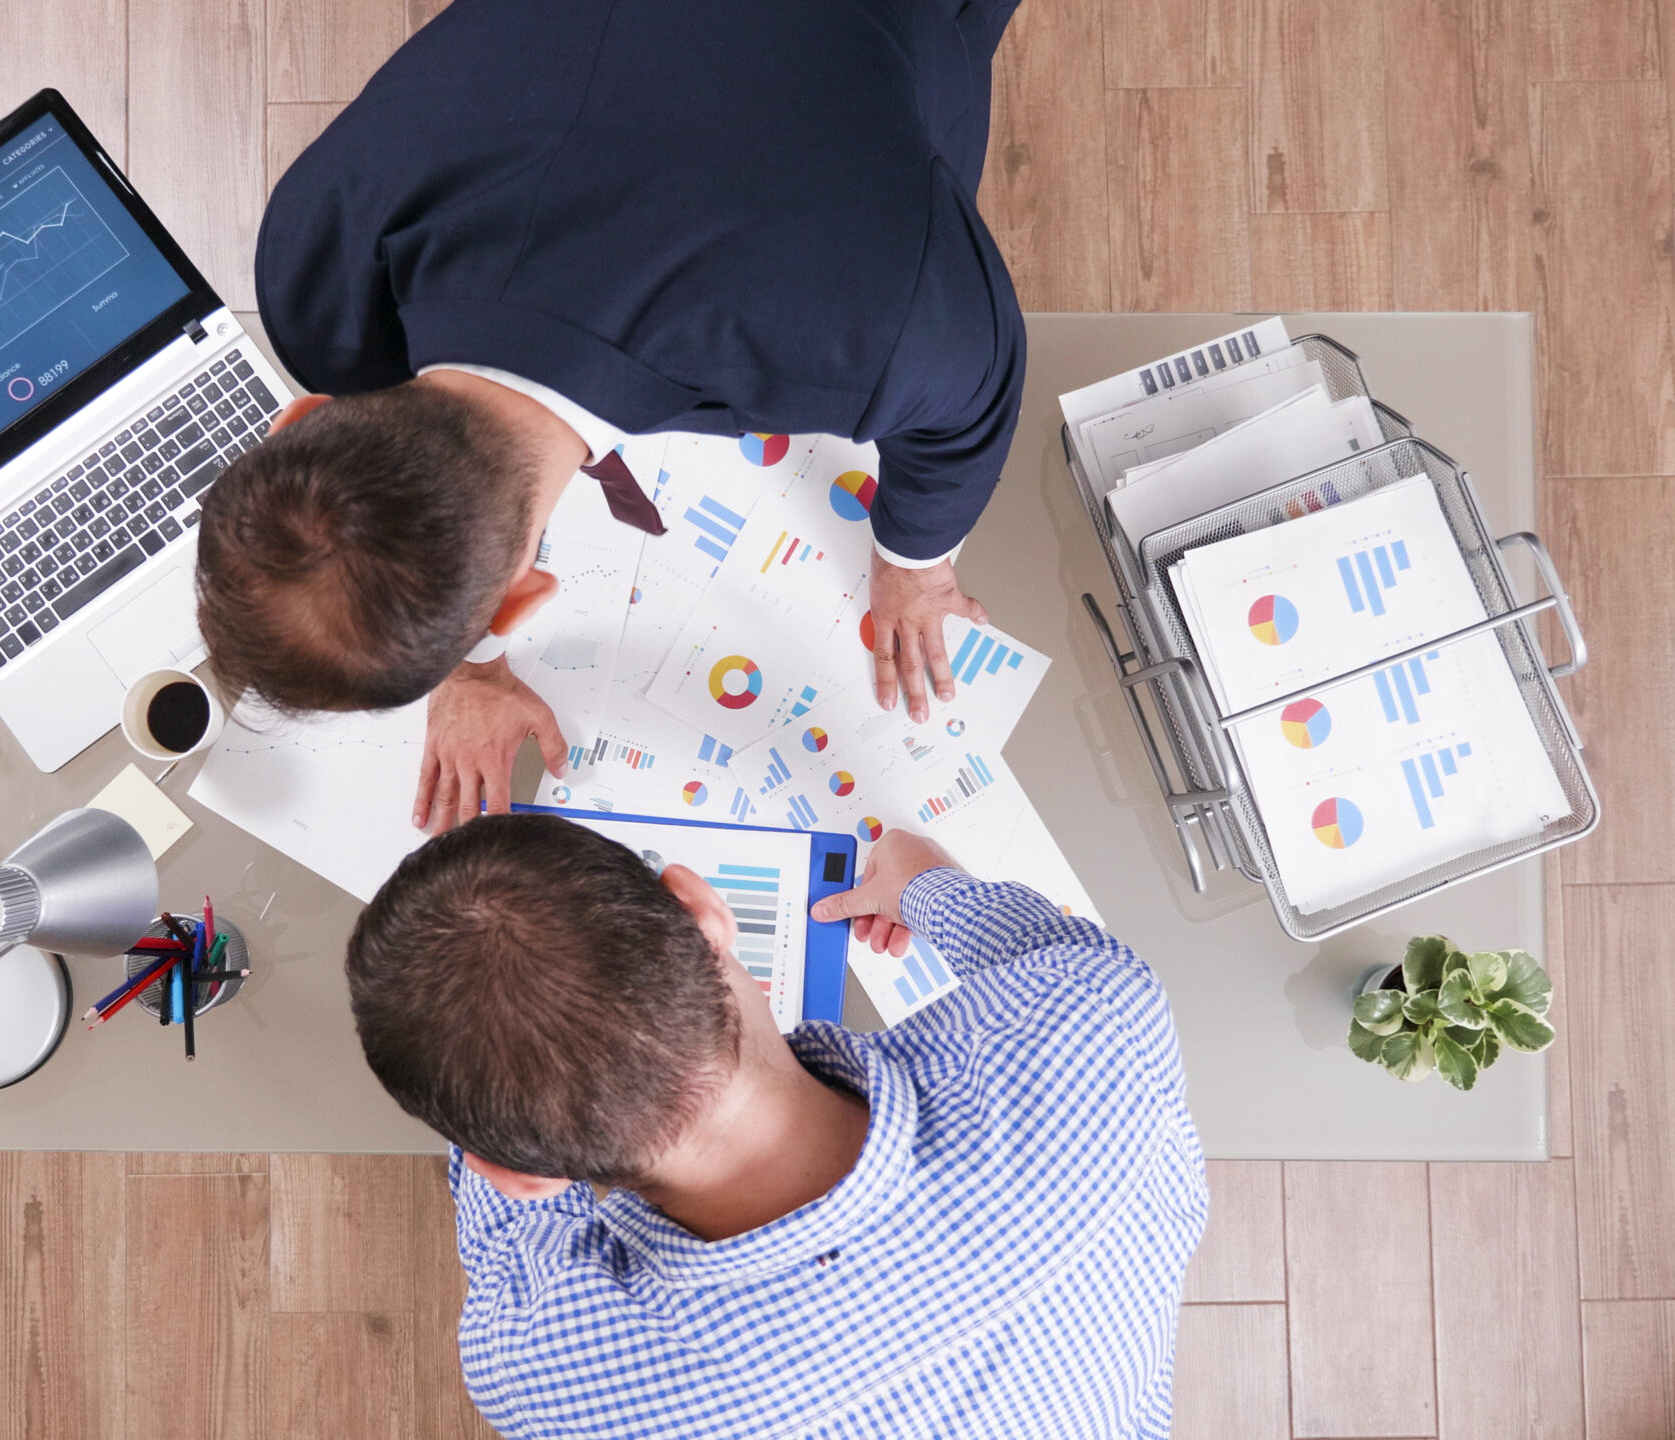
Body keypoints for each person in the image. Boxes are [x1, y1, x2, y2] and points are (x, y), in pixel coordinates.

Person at [198, 0, 1029, 833]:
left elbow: (973, 400)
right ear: (295, 419)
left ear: (524, 600)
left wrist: (916, 567)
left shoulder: (882, 326)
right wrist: (469, 660)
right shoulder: (318, 268)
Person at [345, 814, 1206, 1438]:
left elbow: (513, 1237)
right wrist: (927, 888)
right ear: (703, 910)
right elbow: (1057, 955)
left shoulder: (537, 1370)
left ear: (513, 1172)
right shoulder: (1099, 1031)